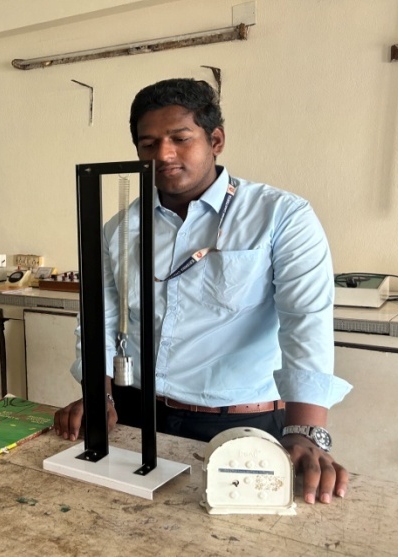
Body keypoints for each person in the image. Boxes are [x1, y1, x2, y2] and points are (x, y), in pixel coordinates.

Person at [53, 78, 352, 505]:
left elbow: (305, 322)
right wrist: (98, 396)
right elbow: (100, 318)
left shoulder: (280, 216)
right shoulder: (120, 229)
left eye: (180, 138)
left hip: (238, 425)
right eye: (148, 144)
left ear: (216, 141)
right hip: (136, 415)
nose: (163, 155)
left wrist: (305, 432)